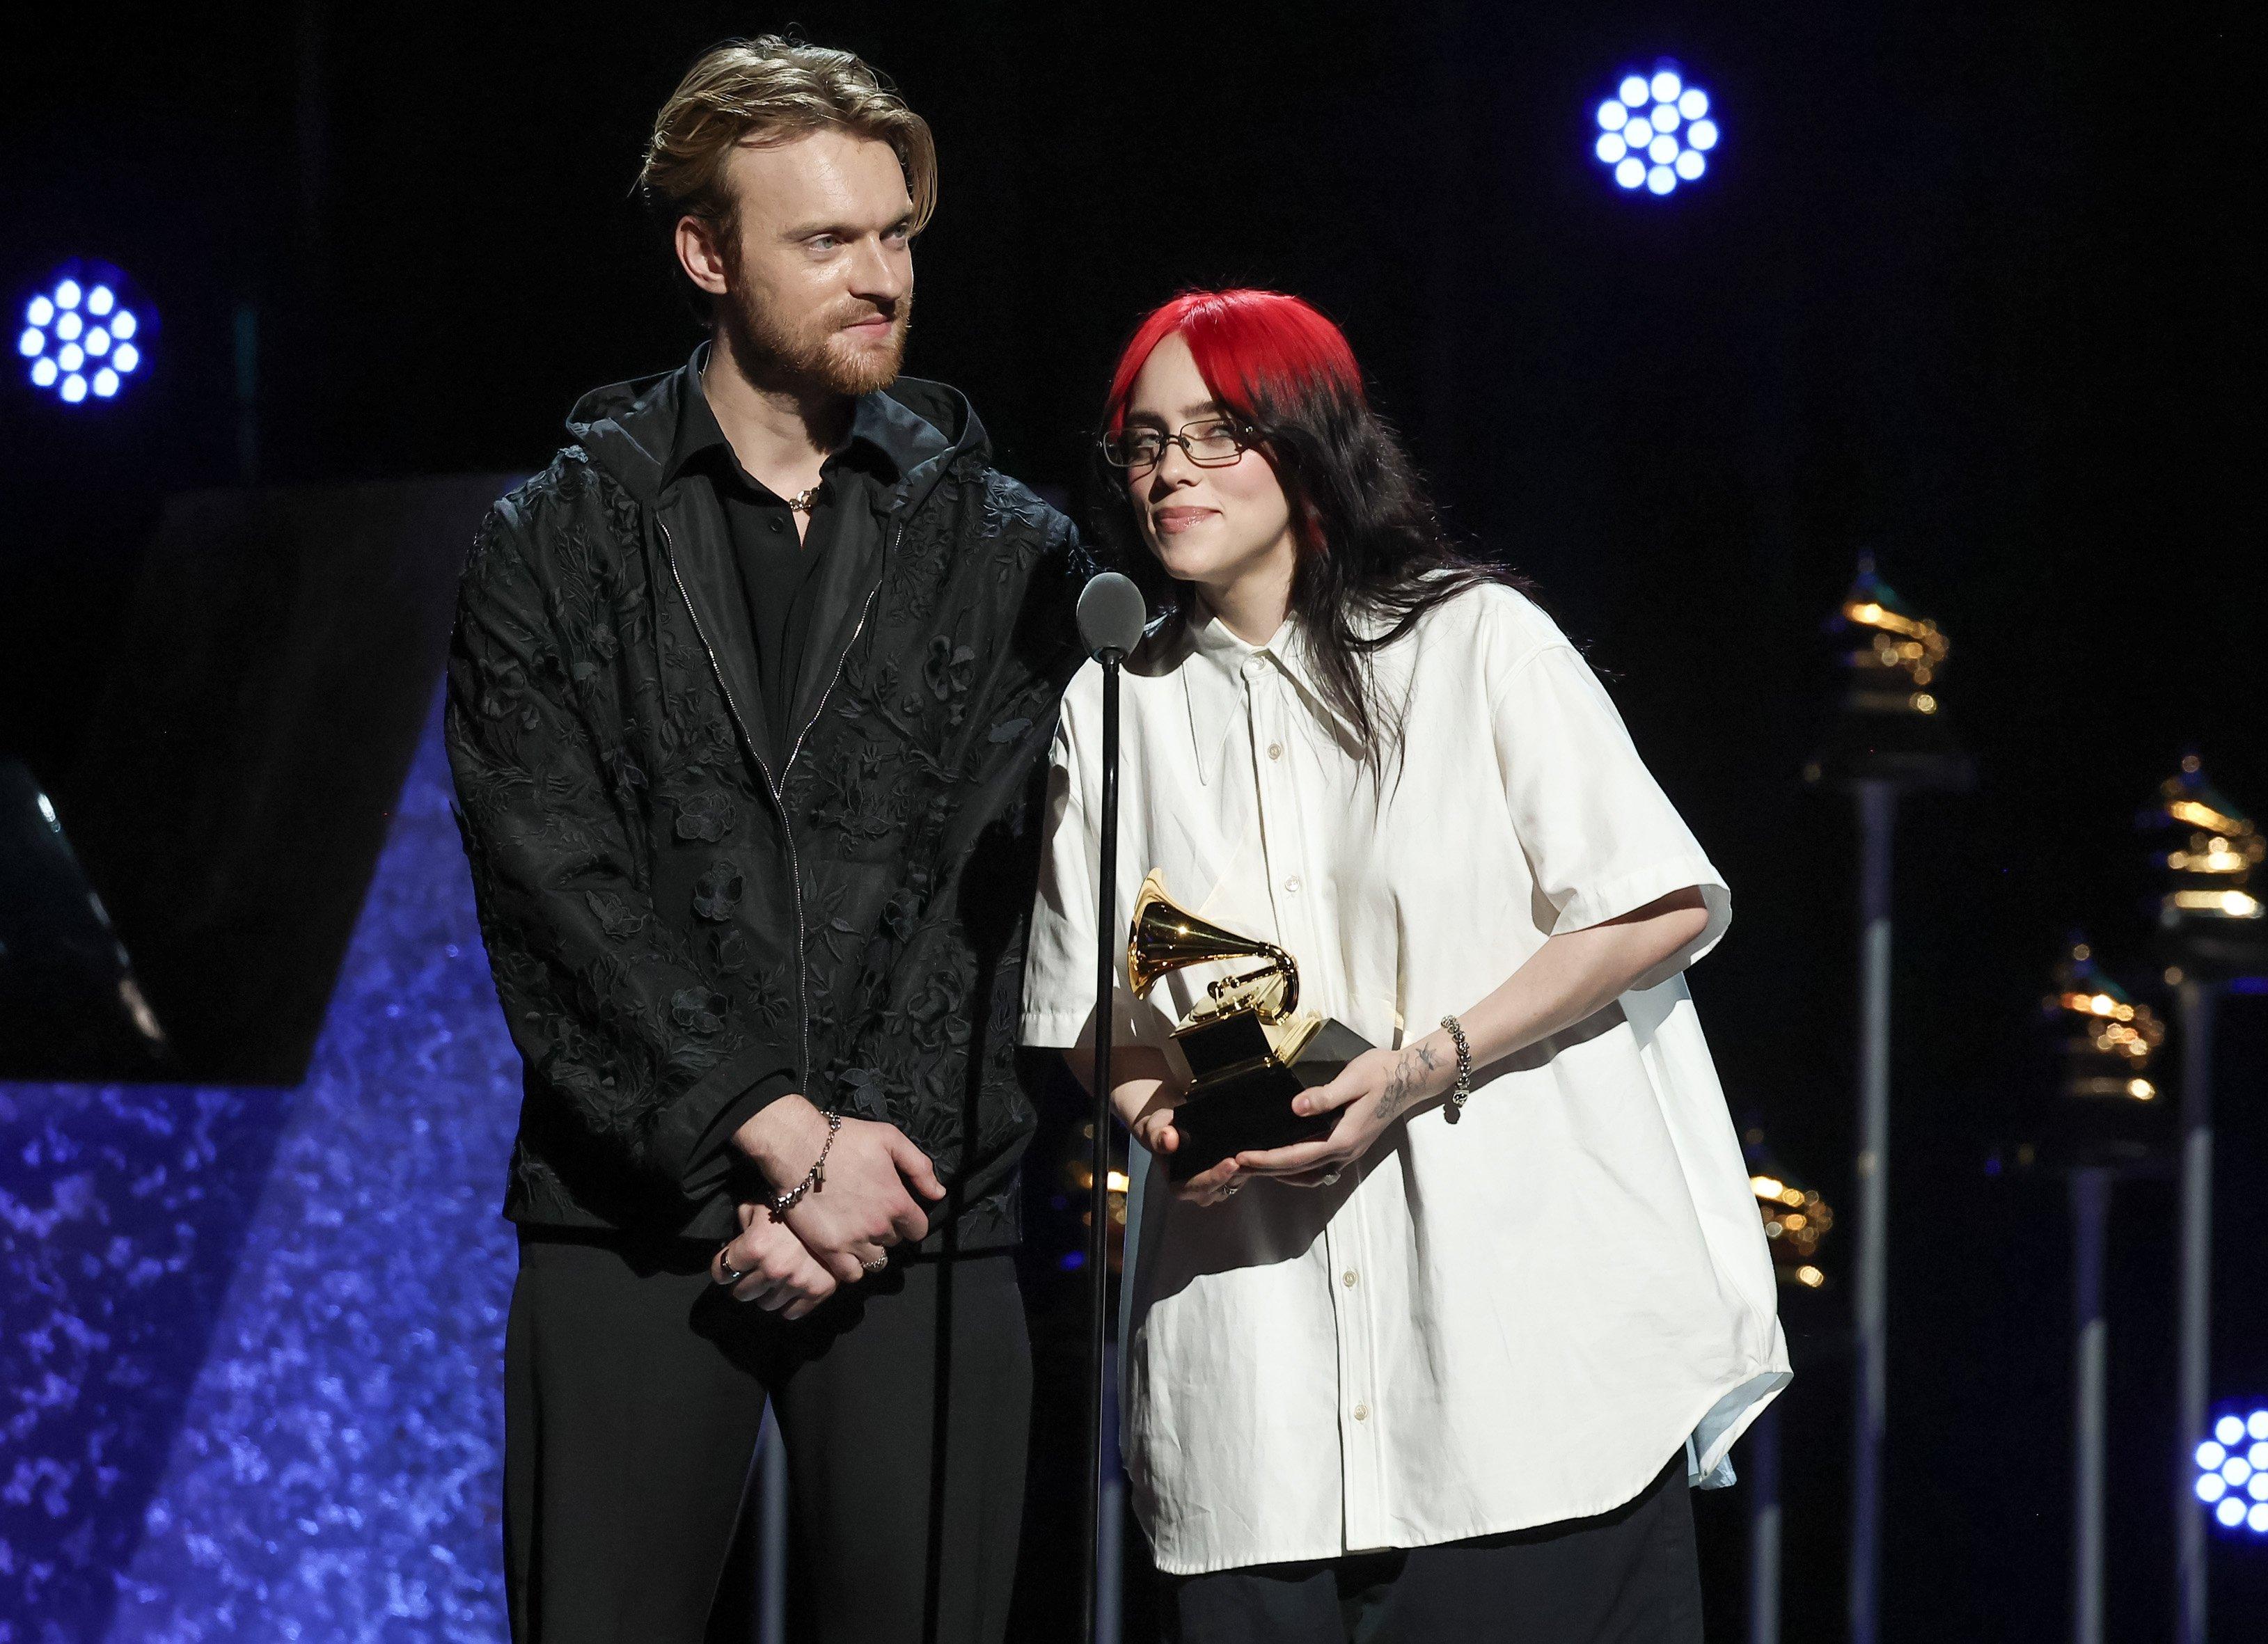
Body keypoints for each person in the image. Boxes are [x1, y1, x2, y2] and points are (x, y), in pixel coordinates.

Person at [1021, 290, 1788, 1643]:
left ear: (1310, 445)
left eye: (1215, 432)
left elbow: (1654, 901)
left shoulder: (1472, 642)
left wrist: (1421, 1063)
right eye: (1143, 443)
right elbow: (1092, 1002)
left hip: (1523, 1390)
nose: (1168, 472)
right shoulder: (1114, 700)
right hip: (1252, 1412)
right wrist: (1159, 1109)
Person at [444, 37, 1081, 1644]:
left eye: (894, 235)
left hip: (920, 1204)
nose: (880, 278)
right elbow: (550, 881)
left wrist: (863, 1160)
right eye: (826, 242)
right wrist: (776, 1136)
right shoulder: (555, 536)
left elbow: (1004, 897)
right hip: (635, 1215)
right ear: (705, 254)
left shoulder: (1013, 548)